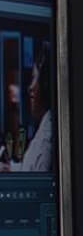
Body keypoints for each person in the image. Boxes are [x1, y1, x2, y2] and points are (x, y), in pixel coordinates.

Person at [0, 42, 54, 173]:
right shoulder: (45, 126)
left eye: (34, 77)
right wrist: (9, 169)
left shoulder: (48, 137)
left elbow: (37, 184)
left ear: (45, 84)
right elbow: (29, 168)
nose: (30, 87)